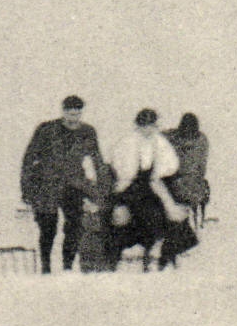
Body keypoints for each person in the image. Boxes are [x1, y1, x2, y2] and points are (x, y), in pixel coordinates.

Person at [20, 95, 103, 274]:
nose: (73, 118)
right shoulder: (46, 129)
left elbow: (98, 162)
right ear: (63, 111)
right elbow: (29, 158)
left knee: (75, 226)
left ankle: (67, 267)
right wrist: (27, 189)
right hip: (46, 185)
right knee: (48, 228)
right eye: (69, 114)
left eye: (77, 114)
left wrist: (100, 192)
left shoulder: (88, 132)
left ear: (81, 113)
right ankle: (46, 268)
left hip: (74, 184)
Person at [109, 109, 187, 270]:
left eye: (151, 125)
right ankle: (134, 249)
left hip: (154, 183)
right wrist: (125, 178)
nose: (148, 129)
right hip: (131, 185)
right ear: (138, 126)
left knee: (170, 209)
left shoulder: (160, 142)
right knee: (136, 211)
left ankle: (164, 250)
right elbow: (118, 165)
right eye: (144, 126)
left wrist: (161, 175)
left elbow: (171, 165)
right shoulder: (128, 142)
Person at [164, 113, 211, 230]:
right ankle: (195, 219)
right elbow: (201, 167)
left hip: (179, 180)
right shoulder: (202, 140)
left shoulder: (171, 137)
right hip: (193, 182)